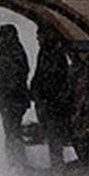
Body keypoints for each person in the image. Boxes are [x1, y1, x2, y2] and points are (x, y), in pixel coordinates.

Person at [29, 27, 74, 168]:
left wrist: (39, 92)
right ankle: (56, 160)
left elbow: (47, 76)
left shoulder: (49, 52)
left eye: (39, 36)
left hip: (50, 101)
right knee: (53, 131)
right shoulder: (52, 51)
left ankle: (56, 161)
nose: (37, 39)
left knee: (53, 131)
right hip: (51, 100)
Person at [0, 25, 30, 166]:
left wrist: (5, 87)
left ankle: (17, 162)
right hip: (11, 100)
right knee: (12, 132)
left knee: (12, 132)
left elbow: (16, 75)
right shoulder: (10, 51)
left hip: (12, 100)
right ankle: (15, 161)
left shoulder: (12, 52)